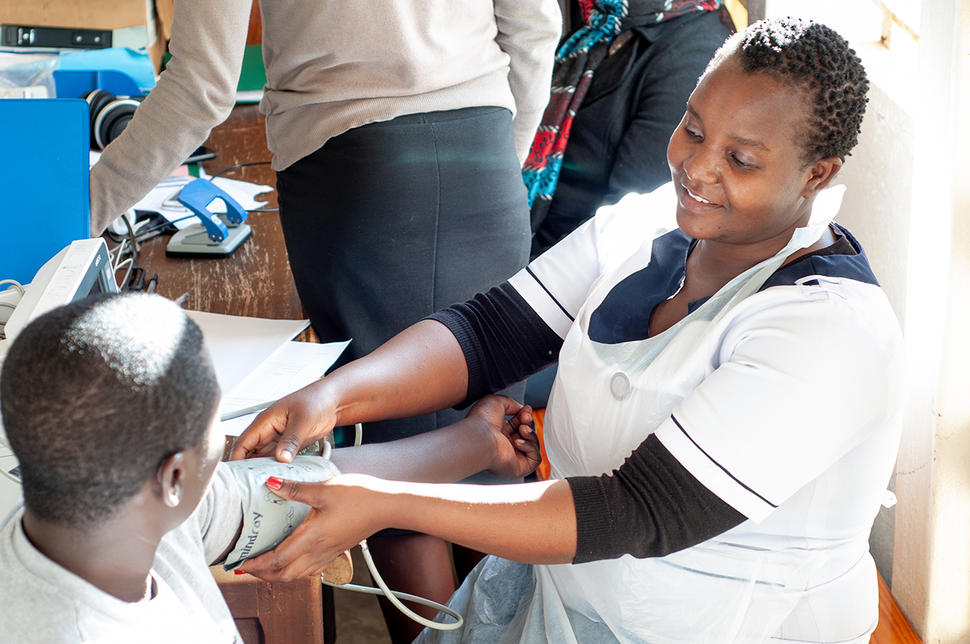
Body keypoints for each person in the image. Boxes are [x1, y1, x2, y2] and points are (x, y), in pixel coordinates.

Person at [232, 17, 903, 642]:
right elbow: (489, 333)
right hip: (570, 606)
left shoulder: (829, 331)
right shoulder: (644, 227)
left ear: (818, 173)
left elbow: (634, 511)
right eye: (693, 131)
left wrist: (386, 503)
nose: (697, 169)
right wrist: (333, 397)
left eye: (742, 160)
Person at [87, 1, 561, 637]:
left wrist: (79, 213)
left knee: (403, 496)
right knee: (488, 464)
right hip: (485, 160)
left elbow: (201, 86)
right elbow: (534, 26)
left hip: (361, 173)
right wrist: (497, 153)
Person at [0, 292, 539, 642]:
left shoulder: (104, 515)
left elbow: (313, 488)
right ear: (172, 478)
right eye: (215, 424)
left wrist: (477, 443)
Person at [524, 0, 733, 258]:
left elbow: (625, 232)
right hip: (527, 239)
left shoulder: (692, 55)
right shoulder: (601, 22)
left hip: (568, 266)